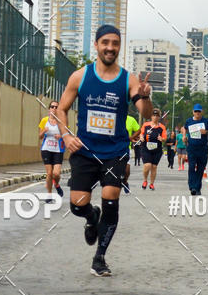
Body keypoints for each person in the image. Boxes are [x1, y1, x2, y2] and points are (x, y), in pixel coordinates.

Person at [56, 25, 152, 277]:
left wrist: (145, 97)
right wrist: (66, 135)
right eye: (105, 42)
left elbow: (146, 113)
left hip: (115, 151)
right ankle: (90, 216)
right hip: (85, 151)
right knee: (77, 204)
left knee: (111, 200)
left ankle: (99, 258)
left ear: (120, 47)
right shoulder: (80, 76)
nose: (110, 47)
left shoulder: (128, 80)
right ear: (97, 45)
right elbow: (61, 109)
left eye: (115, 43)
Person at [184, 104, 208, 195]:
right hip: (192, 148)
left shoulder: (206, 121)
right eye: (195, 111)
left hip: (202, 148)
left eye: (199, 111)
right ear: (193, 112)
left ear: (201, 112)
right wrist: (184, 136)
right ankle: (192, 187)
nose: (197, 113)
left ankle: (197, 188)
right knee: (191, 167)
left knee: (201, 168)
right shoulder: (189, 121)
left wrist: (206, 132)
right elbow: (184, 128)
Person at [38, 101, 64, 201]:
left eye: (56, 107)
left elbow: (67, 136)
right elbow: (40, 136)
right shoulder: (44, 120)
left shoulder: (62, 121)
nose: (54, 108)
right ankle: (49, 195)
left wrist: (60, 136)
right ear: (49, 109)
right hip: (46, 149)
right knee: (49, 173)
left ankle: (56, 184)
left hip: (58, 150)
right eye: (52, 107)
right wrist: (44, 131)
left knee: (56, 174)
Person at [140, 109, 167, 189]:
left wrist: (161, 138)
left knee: (154, 167)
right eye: (153, 115)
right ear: (151, 116)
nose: (155, 117)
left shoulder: (162, 127)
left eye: (157, 115)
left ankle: (151, 184)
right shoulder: (146, 125)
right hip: (146, 148)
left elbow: (165, 138)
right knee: (147, 165)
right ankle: (145, 180)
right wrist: (141, 137)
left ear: (159, 117)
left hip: (157, 150)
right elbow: (141, 133)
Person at [123, 113, 141, 194]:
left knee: (127, 171)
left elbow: (139, 130)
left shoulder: (131, 119)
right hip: (112, 148)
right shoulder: (113, 117)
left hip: (126, 148)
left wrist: (132, 137)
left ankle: (125, 182)